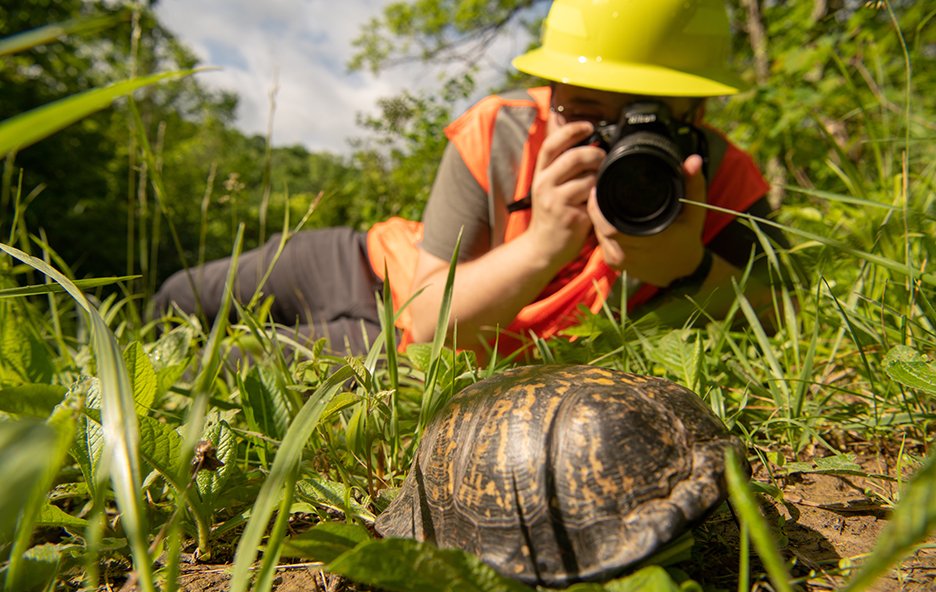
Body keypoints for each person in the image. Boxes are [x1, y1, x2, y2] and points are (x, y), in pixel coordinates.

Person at [154, 0, 785, 358]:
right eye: (585, 113)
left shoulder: (721, 178)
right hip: (361, 264)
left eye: (644, 120)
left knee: (219, 362)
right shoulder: (499, 128)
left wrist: (687, 267)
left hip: (409, 350)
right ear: (552, 89)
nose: (615, 141)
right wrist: (544, 242)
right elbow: (429, 304)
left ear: (695, 115)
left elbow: (781, 313)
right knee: (176, 300)